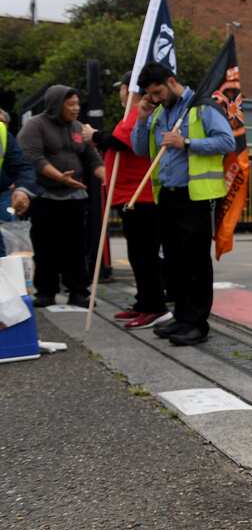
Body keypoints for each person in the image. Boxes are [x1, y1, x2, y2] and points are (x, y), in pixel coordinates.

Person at [132, 63, 234, 346]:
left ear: (171, 81)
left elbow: (226, 141)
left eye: (158, 92)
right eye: (150, 95)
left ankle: (197, 323)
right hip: (167, 194)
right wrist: (141, 118)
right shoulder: (160, 113)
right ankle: (181, 316)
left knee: (195, 262)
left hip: (195, 196)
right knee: (174, 261)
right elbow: (141, 150)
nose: (155, 98)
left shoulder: (203, 107)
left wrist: (187, 142)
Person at [17, 86, 104, 307]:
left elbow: (93, 158)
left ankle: (78, 291)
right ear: (56, 104)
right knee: (46, 245)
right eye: (70, 104)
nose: (76, 109)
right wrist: (59, 177)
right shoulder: (35, 126)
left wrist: (106, 176)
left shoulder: (78, 128)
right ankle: (46, 291)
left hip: (75, 197)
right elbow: (34, 158)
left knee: (76, 246)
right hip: (45, 196)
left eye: (77, 104)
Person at [97, 76, 169, 329]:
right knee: (138, 254)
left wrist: (94, 135)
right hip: (131, 196)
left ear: (127, 89)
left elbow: (120, 141)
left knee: (145, 255)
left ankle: (155, 306)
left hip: (141, 196)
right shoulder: (135, 113)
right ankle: (144, 302)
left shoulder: (139, 113)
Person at [0, 109, 36, 256]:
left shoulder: (2, 133)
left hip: (2, 192)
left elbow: (22, 166)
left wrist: (22, 190)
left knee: (6, 231)